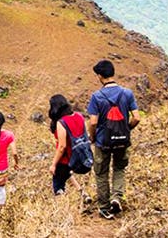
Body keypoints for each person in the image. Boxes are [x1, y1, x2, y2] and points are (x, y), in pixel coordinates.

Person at [88, 60, 140, 219]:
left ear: (99, 76)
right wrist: (126, 128)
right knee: (119, 169)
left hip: (103, 141)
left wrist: (93, 137)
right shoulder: (127, 93)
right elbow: (136, 118)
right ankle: (117, 197)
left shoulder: (96, 97)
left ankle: (104, 208)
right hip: (122, 140)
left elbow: (93, 122)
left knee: (101, 173)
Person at [49, 94, 92, 204]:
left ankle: (61, 207)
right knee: (67, 174)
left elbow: (62, 146)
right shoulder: (79, 116)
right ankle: (82, 193)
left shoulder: (61, 122)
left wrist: (53, 164)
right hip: (79, 155)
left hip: (66, 158)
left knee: (58, 184)